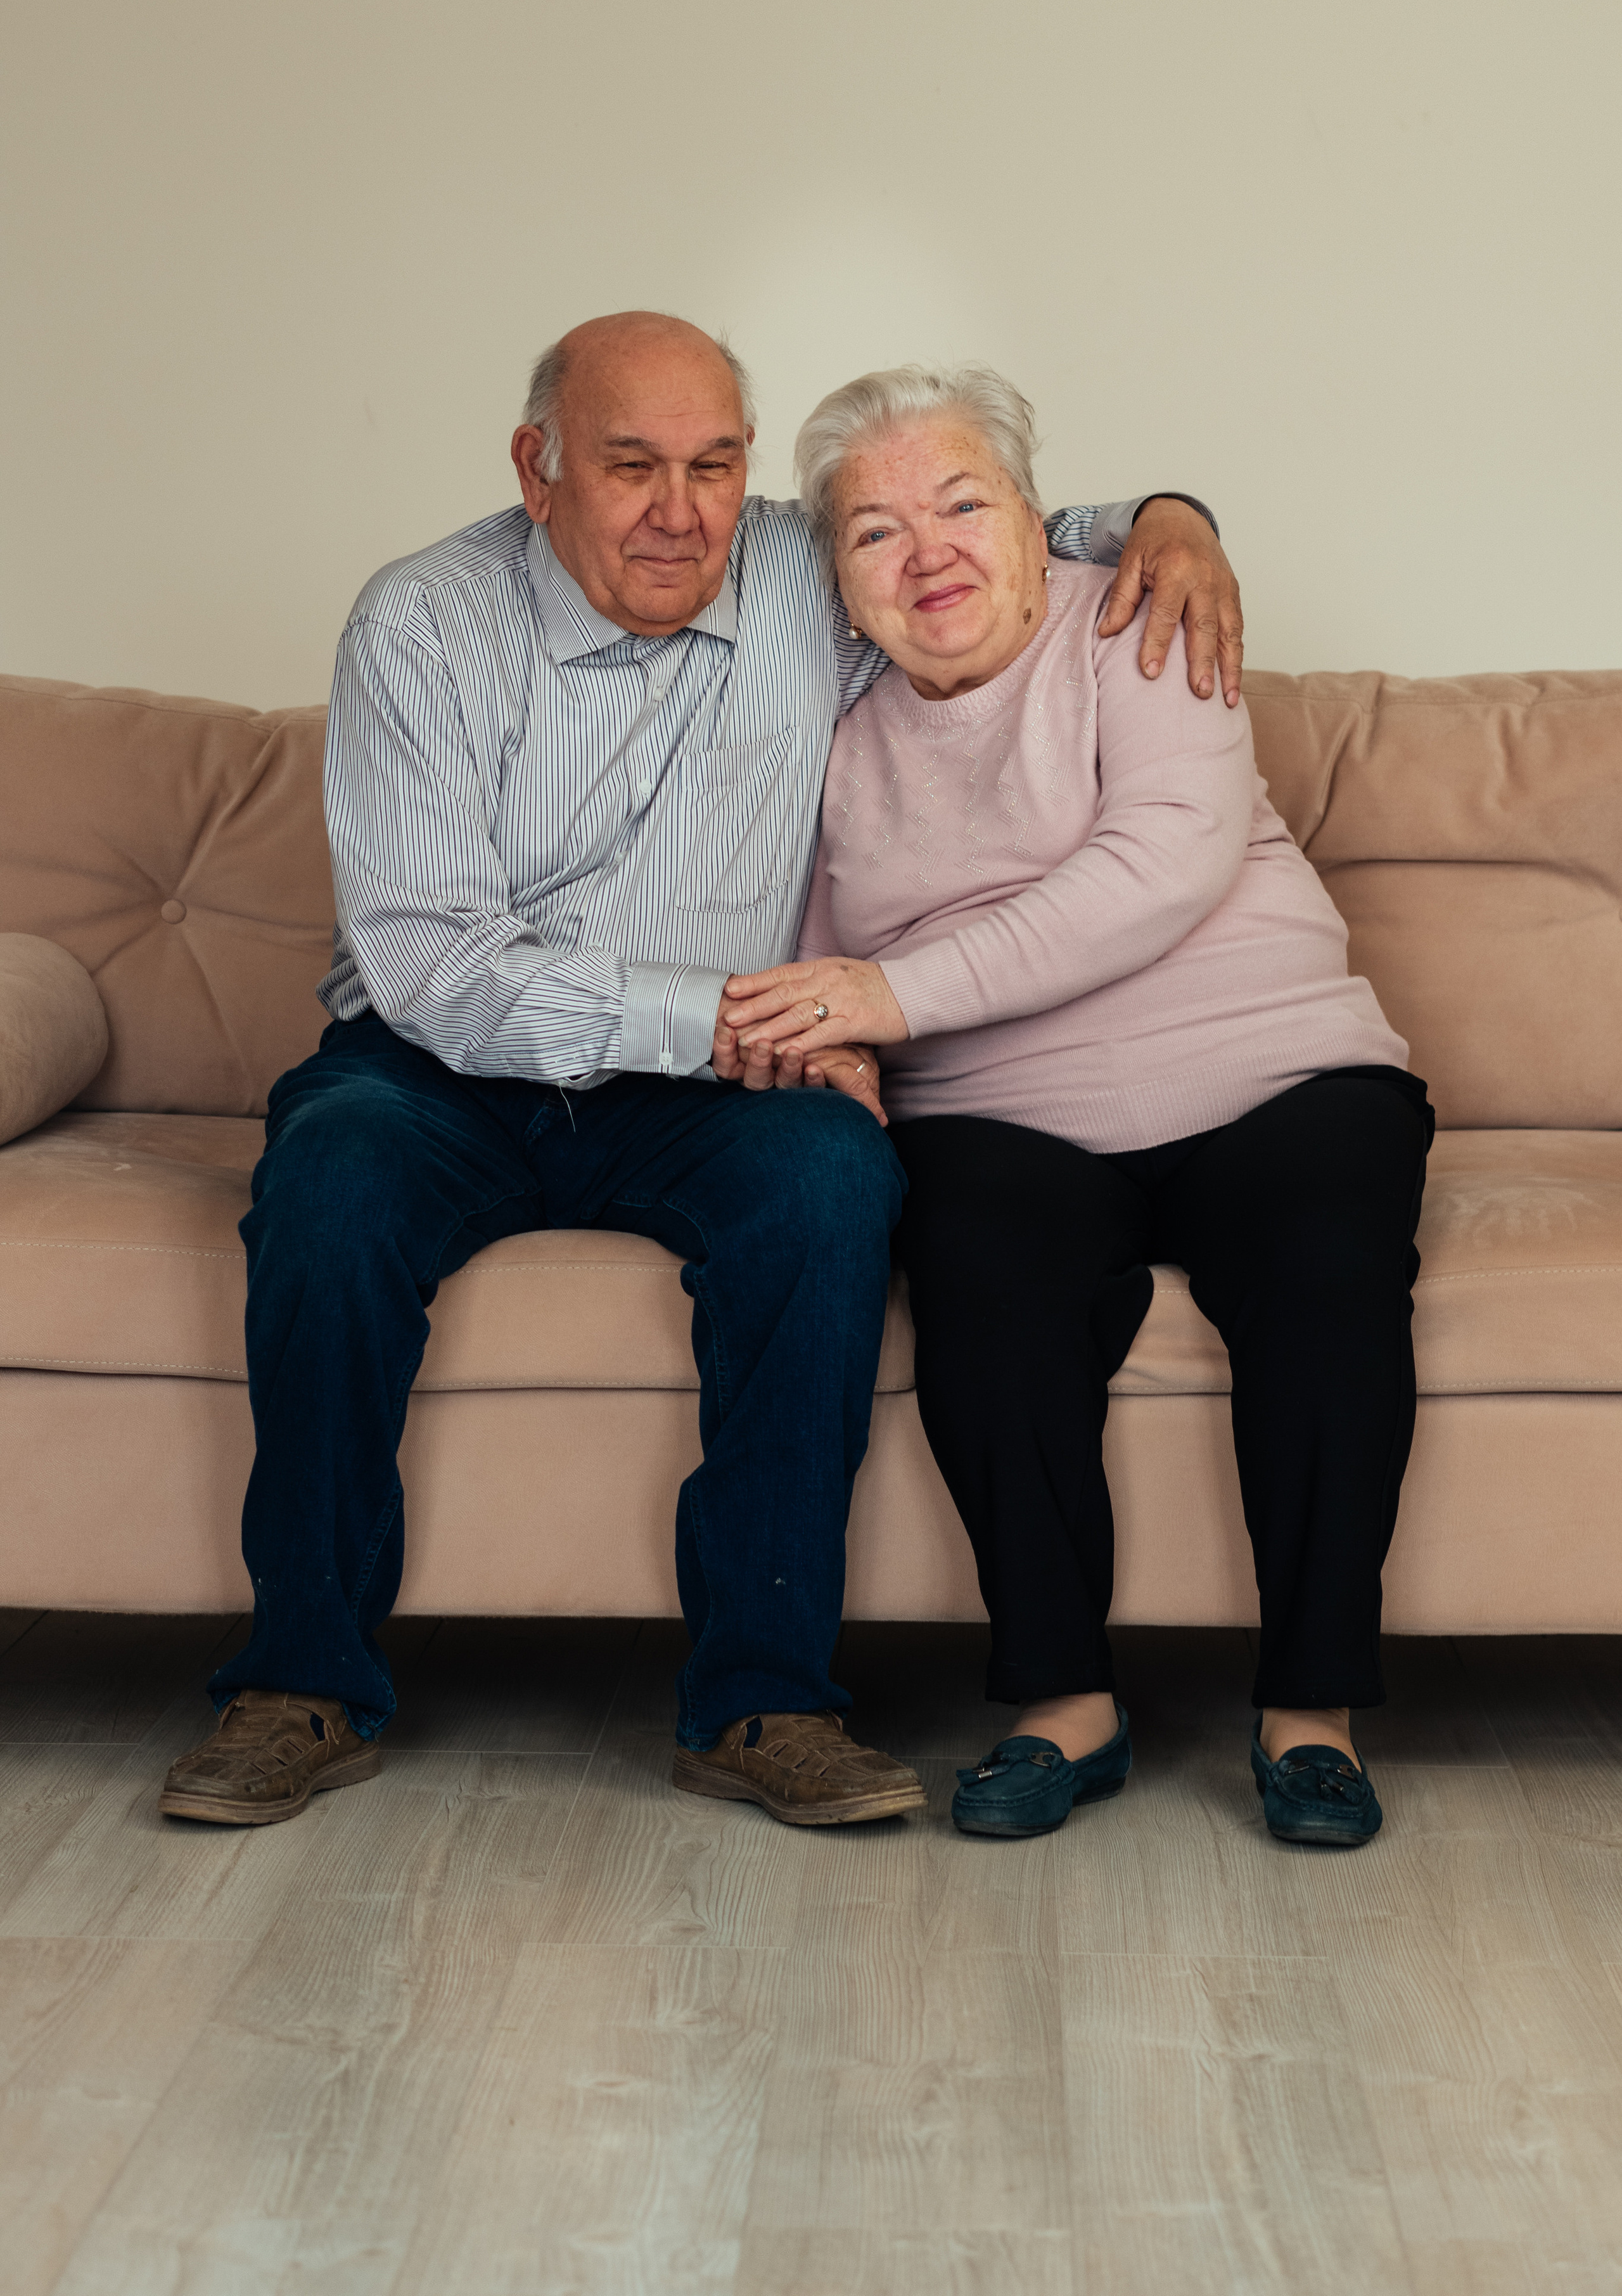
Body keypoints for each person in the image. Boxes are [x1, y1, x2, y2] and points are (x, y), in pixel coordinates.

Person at [158, 312, 1242, 1834]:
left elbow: (996, 514)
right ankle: (299, 1683)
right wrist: (720, 1019)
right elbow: (434, 970)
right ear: (537, 472)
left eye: (715, 466)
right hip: (441, 1069)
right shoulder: (416, 621)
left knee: (830, 1185)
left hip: (708, 1092)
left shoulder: (806, 567)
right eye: (632, 467)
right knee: (327, 1191)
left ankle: (763, 1700)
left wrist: (1171, 522)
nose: (681, 512)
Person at [717, 363, 1433, 1850]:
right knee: (982, 1283)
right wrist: (828, 1039)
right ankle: (1063, 1707)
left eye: (962, 504)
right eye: (871, 533)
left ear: (1041, 524)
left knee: (1323, 1279)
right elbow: (789, 939)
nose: (927, 554)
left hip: (1272, 1068)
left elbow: (1158, 867)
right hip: (1002, 1108)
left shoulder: (1136, 622)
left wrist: (887, 999)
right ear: (832, 586)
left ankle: (1310, 1713)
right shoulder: (820, 738)